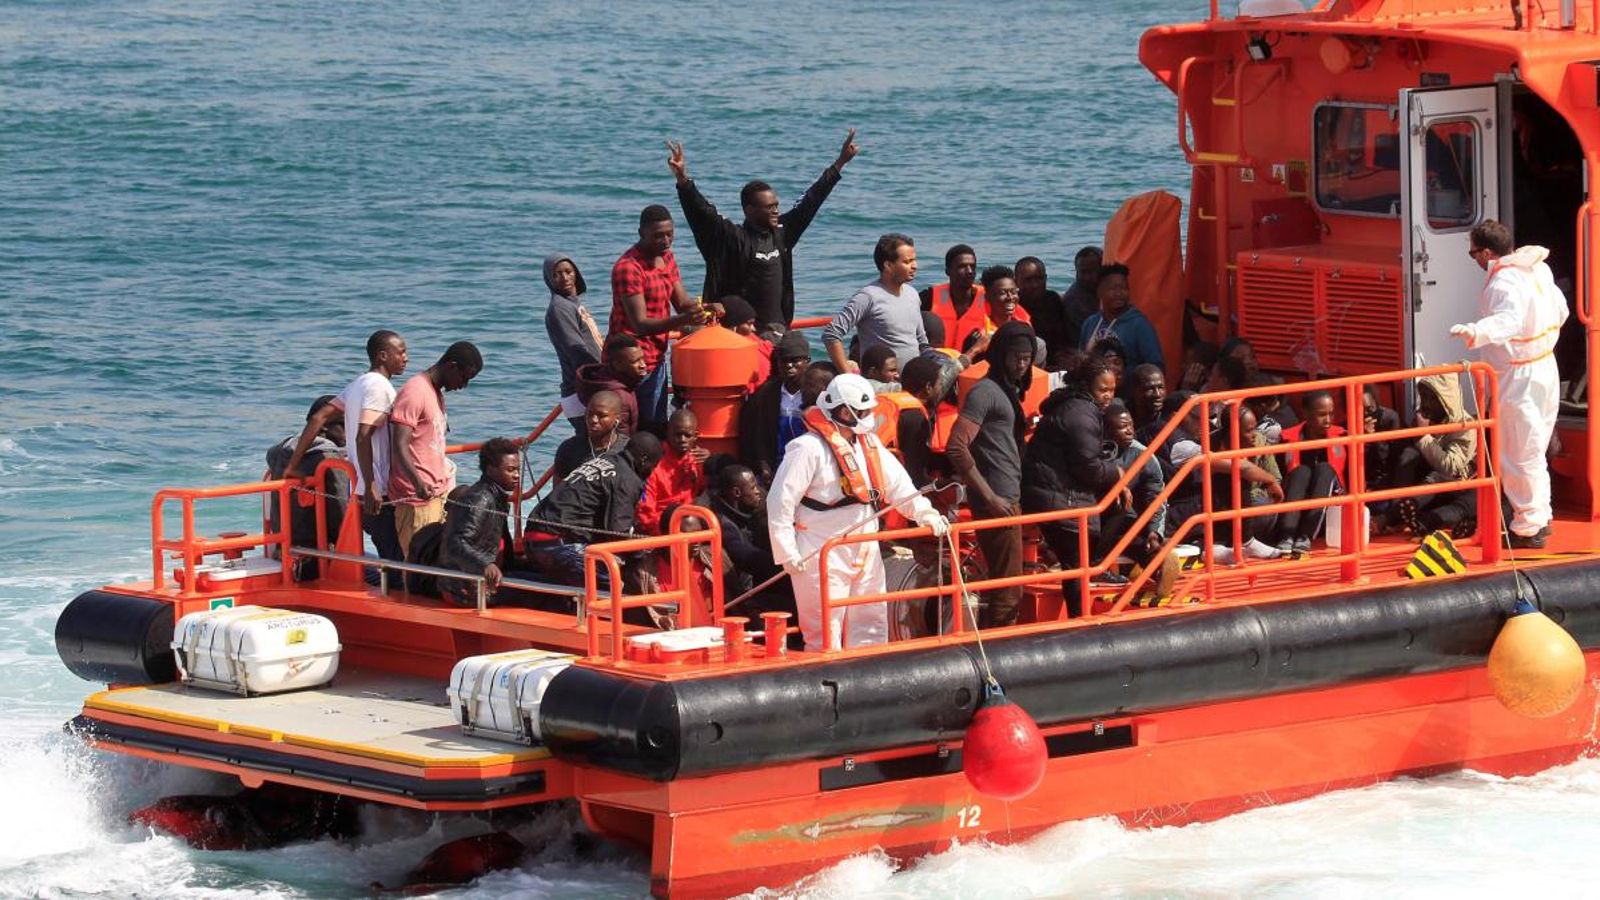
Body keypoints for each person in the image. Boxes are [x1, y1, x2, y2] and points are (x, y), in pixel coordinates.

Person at [767, 374, 949, 650]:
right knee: (824, 633)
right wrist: (787, 552)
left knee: (871, 625)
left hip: (865, 547)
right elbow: (780, 501)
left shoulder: (869, 445)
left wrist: (926, 513)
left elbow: (899, 487)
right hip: (821, 552)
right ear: (842, 410)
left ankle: (867, 685)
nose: (867, 417)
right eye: (862, 412)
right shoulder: (807, 449)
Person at [1450, 219, 1568, 548]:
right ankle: (1539, 518)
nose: (1473, 259)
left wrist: (1476, 332)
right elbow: (1562, 310)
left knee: (1518, 453)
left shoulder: (1503, 283)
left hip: (1519, 376)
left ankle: (1528, 529)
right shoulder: (1537, 271)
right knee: (1534, 448)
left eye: (1473, 253)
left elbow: (1508, 321)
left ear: (1487, 252)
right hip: (1545, 366)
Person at [668, 130, 859, 330]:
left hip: (777, 332)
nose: (776, 210)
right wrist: (683, 179)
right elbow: (703, 213)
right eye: (769, 207)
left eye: (776, 205)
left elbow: (811, 200)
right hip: (740, 335)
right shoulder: (733, 238)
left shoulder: (782, 234)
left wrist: (840, 163)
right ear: (749, 210)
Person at [283, 330, 410, 561]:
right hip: (378, 492)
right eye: (401, 352)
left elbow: (318, 418)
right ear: (382, 355)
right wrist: (371, 484)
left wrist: (293, 464)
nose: (406, 358)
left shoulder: (358, 384)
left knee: (391, 557)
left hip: (361, 489)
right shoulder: (378, 387)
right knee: (397, 562)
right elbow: (364, 436)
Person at [947, 321, 1036, 628]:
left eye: (1027, 358)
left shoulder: (1006, 390)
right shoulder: (986, 392)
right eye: (1016, 357)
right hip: (998, 500)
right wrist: (990, 497)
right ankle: (1000, 653)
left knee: (1004, 582)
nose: (1022, 365)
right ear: (1000, 355)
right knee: (1009, 589)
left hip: (1008, 493)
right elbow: (956, 447)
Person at [1023, 354, 1127, 612]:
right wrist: (1117, 473)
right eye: (1103, 389)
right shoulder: (1082, 413)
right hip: (1058, 497)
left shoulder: (1073, 406)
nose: (1108, 396)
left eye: (1112, 391)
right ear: (1087, 385)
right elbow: (1088, 467)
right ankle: (1081, 621)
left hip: (1050, 491)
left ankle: (1094, 568)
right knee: (1076, 565)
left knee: (1078, 562)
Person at [610, 205, 716, 429]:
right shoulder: (629, 268)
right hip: (632, 362)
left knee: (657, 424)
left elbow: (681, 302)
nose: (665, 241)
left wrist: (706, 307)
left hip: (657, 356)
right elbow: (640, 324)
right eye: (658, 236)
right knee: (638, 427)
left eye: (669, 234)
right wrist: (685, 320)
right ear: (642, 233)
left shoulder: (666, 258)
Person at [525, 431, 664, 588]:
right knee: (618, 582)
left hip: (532, 539)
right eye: (653, 466)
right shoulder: (627, 479)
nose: (651, 472)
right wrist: (645, 553)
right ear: (643, 460)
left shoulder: (604, 460)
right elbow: (618, 534)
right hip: (557, 545)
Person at [389, 341, 483, 559]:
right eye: (464, 378)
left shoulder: (436, 393)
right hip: (415, 499)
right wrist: (417, 482)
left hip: (437, 494)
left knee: (438, 560)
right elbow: (399, 444)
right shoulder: (415, 391)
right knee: (418, 563)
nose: (463, 385)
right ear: (451, 366)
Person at [1387, 372, 1480, 538]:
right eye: (1423, 397)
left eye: (1432, 399)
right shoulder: (1426, 417)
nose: (1426, 404)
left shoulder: (1465, 425)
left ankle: (1417, 520)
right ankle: (1397, 513)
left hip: (1457, 486)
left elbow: (1450, 468)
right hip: (1426, 489)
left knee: (1467, 499)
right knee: (1409, 454)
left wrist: (1423, 436)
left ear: (1446, 400)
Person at [822, 233, 931, 374]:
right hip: (880, 385)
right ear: (888, 265)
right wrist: (848, 377)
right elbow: (831, 334)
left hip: (912, 383)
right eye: (907, 262)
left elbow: (921, 341)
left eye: (914, 260)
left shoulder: (912, 294)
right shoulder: (868, 297)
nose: (915, 266)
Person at [266, 395, 349, 580]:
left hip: (285, 549)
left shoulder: (281, 452)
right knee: (387, 575)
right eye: (344, 425)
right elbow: (342, 517)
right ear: (324, 425)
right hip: (318, 558)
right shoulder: (329, 460)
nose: (350, 431)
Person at [434, 437, 520, 607]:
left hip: (483, 578)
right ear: (490, 469)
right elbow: (455, 542)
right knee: (549, 593)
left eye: (518, 469)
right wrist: (485, 565)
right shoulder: (480, 499)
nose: (517, 475)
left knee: (545, 577)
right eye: (510, 470)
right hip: (464, 587)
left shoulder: (497, 497)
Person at [705, 464, 792, 620]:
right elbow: (748, 558)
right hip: (744, 596)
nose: (758, 491)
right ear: (737, 492)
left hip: (761, 584)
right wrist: (788, 564)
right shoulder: (723, 524)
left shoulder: (749, 511)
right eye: (753, 487)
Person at [1271, 391, 1345, 555]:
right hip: (1293, 507)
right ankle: (1286, 536)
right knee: (1301, 472)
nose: (1328, 420)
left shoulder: (1343, 436)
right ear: (1306, 413)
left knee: (1324, 469)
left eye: (1331, 414)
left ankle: (1306, 537)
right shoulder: (1287, 439)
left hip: (1329, 513)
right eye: (1321, 415)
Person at [739, 330, 814, 484]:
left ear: (807, 361)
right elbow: (758, 434)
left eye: (795, 360)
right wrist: (763, 464)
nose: (789, 365)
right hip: (776, 464)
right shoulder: (767, 393)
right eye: (784, 361)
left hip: (809, 464)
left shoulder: (817, 393)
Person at [543, 254, 602, 432]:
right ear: (549, 279)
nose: (565, 278)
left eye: (568, 271)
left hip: (589, 389)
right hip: (581, 392)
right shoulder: (559, 308)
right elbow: (577, 352)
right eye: (557, 274)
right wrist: (605, 378)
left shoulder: (573, 304)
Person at [1104, 401, 1167, 553]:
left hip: (1124, 520)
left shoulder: (1142, 454)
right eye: (1122, 427)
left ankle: (1154, 558)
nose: (1129, 431)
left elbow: (1155, 496)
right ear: (1105, 430)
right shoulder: (1089, 452)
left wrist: (1155, 532)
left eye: (1131, 425)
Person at [636, 407, 709, 534]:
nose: (682, 439)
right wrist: (672, 530)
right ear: (667, 432)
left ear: (695, 436)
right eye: (677, 434)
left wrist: (710, 461)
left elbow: (706, 494)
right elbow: (645, 514)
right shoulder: (654, 463)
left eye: (687, 435)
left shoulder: (698, 460)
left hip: (694, 526)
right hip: (663, 531)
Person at [1080, 262, 1164, 372]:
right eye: (1113, 289)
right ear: (1099, 292)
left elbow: (1156, 366)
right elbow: (1081, 358)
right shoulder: (1090, 323)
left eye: (1123, 288)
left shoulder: (1139, 325)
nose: (1119, 293)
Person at [576, 334, 647, 436]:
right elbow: (620, 437)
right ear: (617, 364)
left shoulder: (600, 376)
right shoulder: (619, 397)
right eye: (635, 361)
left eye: (642, 359)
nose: (643, 365)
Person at [954, 265, 1033, 357]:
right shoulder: (977, 334)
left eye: (1013, 292)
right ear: (987, 297)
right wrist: (977, 348)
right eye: (1003, 293)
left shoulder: (1022, 324)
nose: (1010, 297)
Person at [552, 391, 630, 483]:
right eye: (590, 414)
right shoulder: (569, 448)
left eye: (602, 415)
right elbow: (558, 491)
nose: (594, 420)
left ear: (617, 419)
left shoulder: (627, 450)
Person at [920, 244, 985, 351]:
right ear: (947, 271)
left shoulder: (987, 297)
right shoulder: (929, 297)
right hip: (938, 362)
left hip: (975, 362)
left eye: (972, 266)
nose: (969, 271)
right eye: (962, 266)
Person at [1016, 256, 1071, 365]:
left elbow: (1063, 339)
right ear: (1016, 281)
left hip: (1055, 361)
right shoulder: (1012, 305)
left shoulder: (1053, 299)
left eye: (1039, 278)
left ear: (1045, 278)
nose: (1035, 284)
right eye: (1028, 280)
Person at [716, 295, 772, 393]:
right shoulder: (758, 343)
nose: (753, 329)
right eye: (749, 324)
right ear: (733, 326)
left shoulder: (742, 352)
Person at [1060, 246, 1103, 345]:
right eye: (1083, 272)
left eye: (1092, 271)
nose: (1087, 277)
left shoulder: (1109, 289)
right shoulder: (1075, 301)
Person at [1129, 363, 1167, 444]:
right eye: (1149, 389)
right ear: (1133, 391)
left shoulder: (1170, 417)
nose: (1157, 394)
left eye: (1161, 387)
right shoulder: (1122, 420)